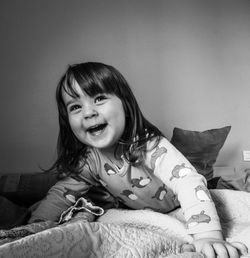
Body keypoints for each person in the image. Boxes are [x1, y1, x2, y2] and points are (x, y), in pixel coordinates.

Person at [29, 62, 247, 257]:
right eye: (75, 107)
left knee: (207, 181)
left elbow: (188, 182)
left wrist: (207, 235)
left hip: (179, 197)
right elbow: (62, 194)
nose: (88, 112)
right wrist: (34, 226)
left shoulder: (149, 145)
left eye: (99, 99)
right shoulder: (89, 160)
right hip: (147, 205)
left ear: (124, 105)